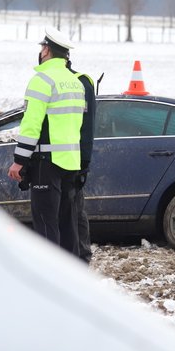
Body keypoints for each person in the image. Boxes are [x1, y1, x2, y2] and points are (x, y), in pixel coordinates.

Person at [8, 27, 85, 257]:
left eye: (42, 47)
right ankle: (71, 271)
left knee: (45, 223)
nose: (41, 51)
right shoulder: (75, 82)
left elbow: (31, 125)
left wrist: (19, 160)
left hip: (46, 162)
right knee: (67, 224)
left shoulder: (41, 80)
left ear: (47, 51)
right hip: (71, 161)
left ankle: (49, 274)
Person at [67, 58, 97, 264]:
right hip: (60, 158)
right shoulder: (49, 80)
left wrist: (84, 162)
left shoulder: (80, 82)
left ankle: (82, 257)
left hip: (73, 159)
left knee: (75, 211)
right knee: (72, 211)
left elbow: (87, 127)